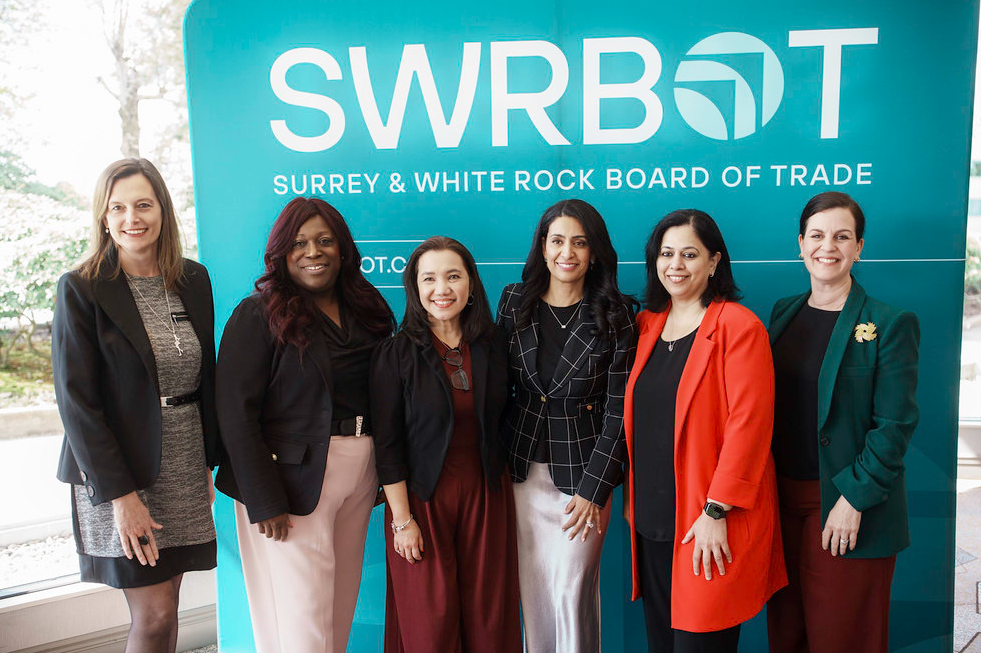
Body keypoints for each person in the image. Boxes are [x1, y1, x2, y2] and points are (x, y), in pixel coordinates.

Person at [52, 158, 220, 652]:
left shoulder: (192, 279)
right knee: (154, 614)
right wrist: (121, 498)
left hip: (183, 464)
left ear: (162, 210)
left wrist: (207, 466)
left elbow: (204, 376)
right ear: (103, 217)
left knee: (170, 607)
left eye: (143, 204)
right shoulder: (83, 287)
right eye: (118, 207)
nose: (132, 217)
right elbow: (77, 403)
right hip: (117, 472)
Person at [214, 197, 394, 653]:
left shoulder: (367, 306)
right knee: (301, 625)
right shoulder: (257, 313)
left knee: (337, 613)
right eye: (299, 242)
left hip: (360, 471)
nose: (313, 251)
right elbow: (235, 412)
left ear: (342, 248)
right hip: (289, 483)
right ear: (281, 252)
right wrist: (263, 498)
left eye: (324, 240)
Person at [623, 209, 786, 653]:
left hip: (707, 524)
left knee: (701, 643)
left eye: (690, 254)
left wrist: (717, 511)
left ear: (714, 262)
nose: (676, 264)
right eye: (667, 253)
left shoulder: (738, 326)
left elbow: (749, 426)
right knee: (661, 643)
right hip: (651, 522)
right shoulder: (645, 327)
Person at [766, 192, 919, 653]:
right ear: (800, 243)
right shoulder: (782, 313)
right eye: (816, 235)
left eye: (841, 236)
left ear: (859, 247)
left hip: (847, 505)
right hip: (780, 505)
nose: (827, 246)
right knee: (786, 635)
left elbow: (894, 426)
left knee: (842, 639)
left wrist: (853, 497)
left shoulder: (889, 323)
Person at [497, 199, 636, 653]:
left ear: (594, 252)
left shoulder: (617, 315)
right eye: (557, 241)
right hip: (520, 472)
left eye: (580, 242)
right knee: (534, 592)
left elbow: (619, 410)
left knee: (571, 592)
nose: (567, 252)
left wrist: (594, 488)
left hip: (584, 477)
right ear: (542, 246)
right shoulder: (514, 302)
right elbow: (495, 389)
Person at [370, 236, 521, 653]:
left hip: (486, 497)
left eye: (453, 276)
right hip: (421, 502)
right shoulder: (395, 354)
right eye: (430, 279)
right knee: (430, 627)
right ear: (415, 290)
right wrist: (402, 520)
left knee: (489, 622)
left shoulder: (494, 345)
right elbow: (387, 443)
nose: (442, 289)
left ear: (471, 283)